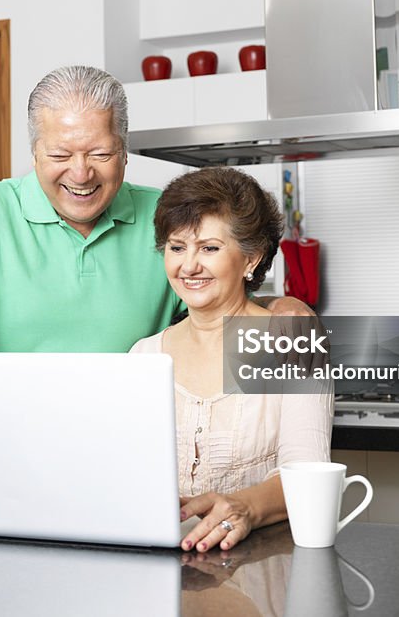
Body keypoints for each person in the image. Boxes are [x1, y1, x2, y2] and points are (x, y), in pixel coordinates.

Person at [0, 66, 311, 355]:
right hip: (7, 429)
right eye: (59, 154)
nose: (80, 173)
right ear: (35, 154)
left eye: (100, 154)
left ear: (124, 152)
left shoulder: (164, 214)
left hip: (129, 436)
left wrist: (277, 307)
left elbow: (215, 303)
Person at [129, 167, 333, 553]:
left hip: (263, 570)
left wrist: (246, 508)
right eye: (176, 247)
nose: (188, 266)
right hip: (163, 568)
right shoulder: (143, 355)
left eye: (209, 248)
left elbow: (307, 473)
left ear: (251, 258)